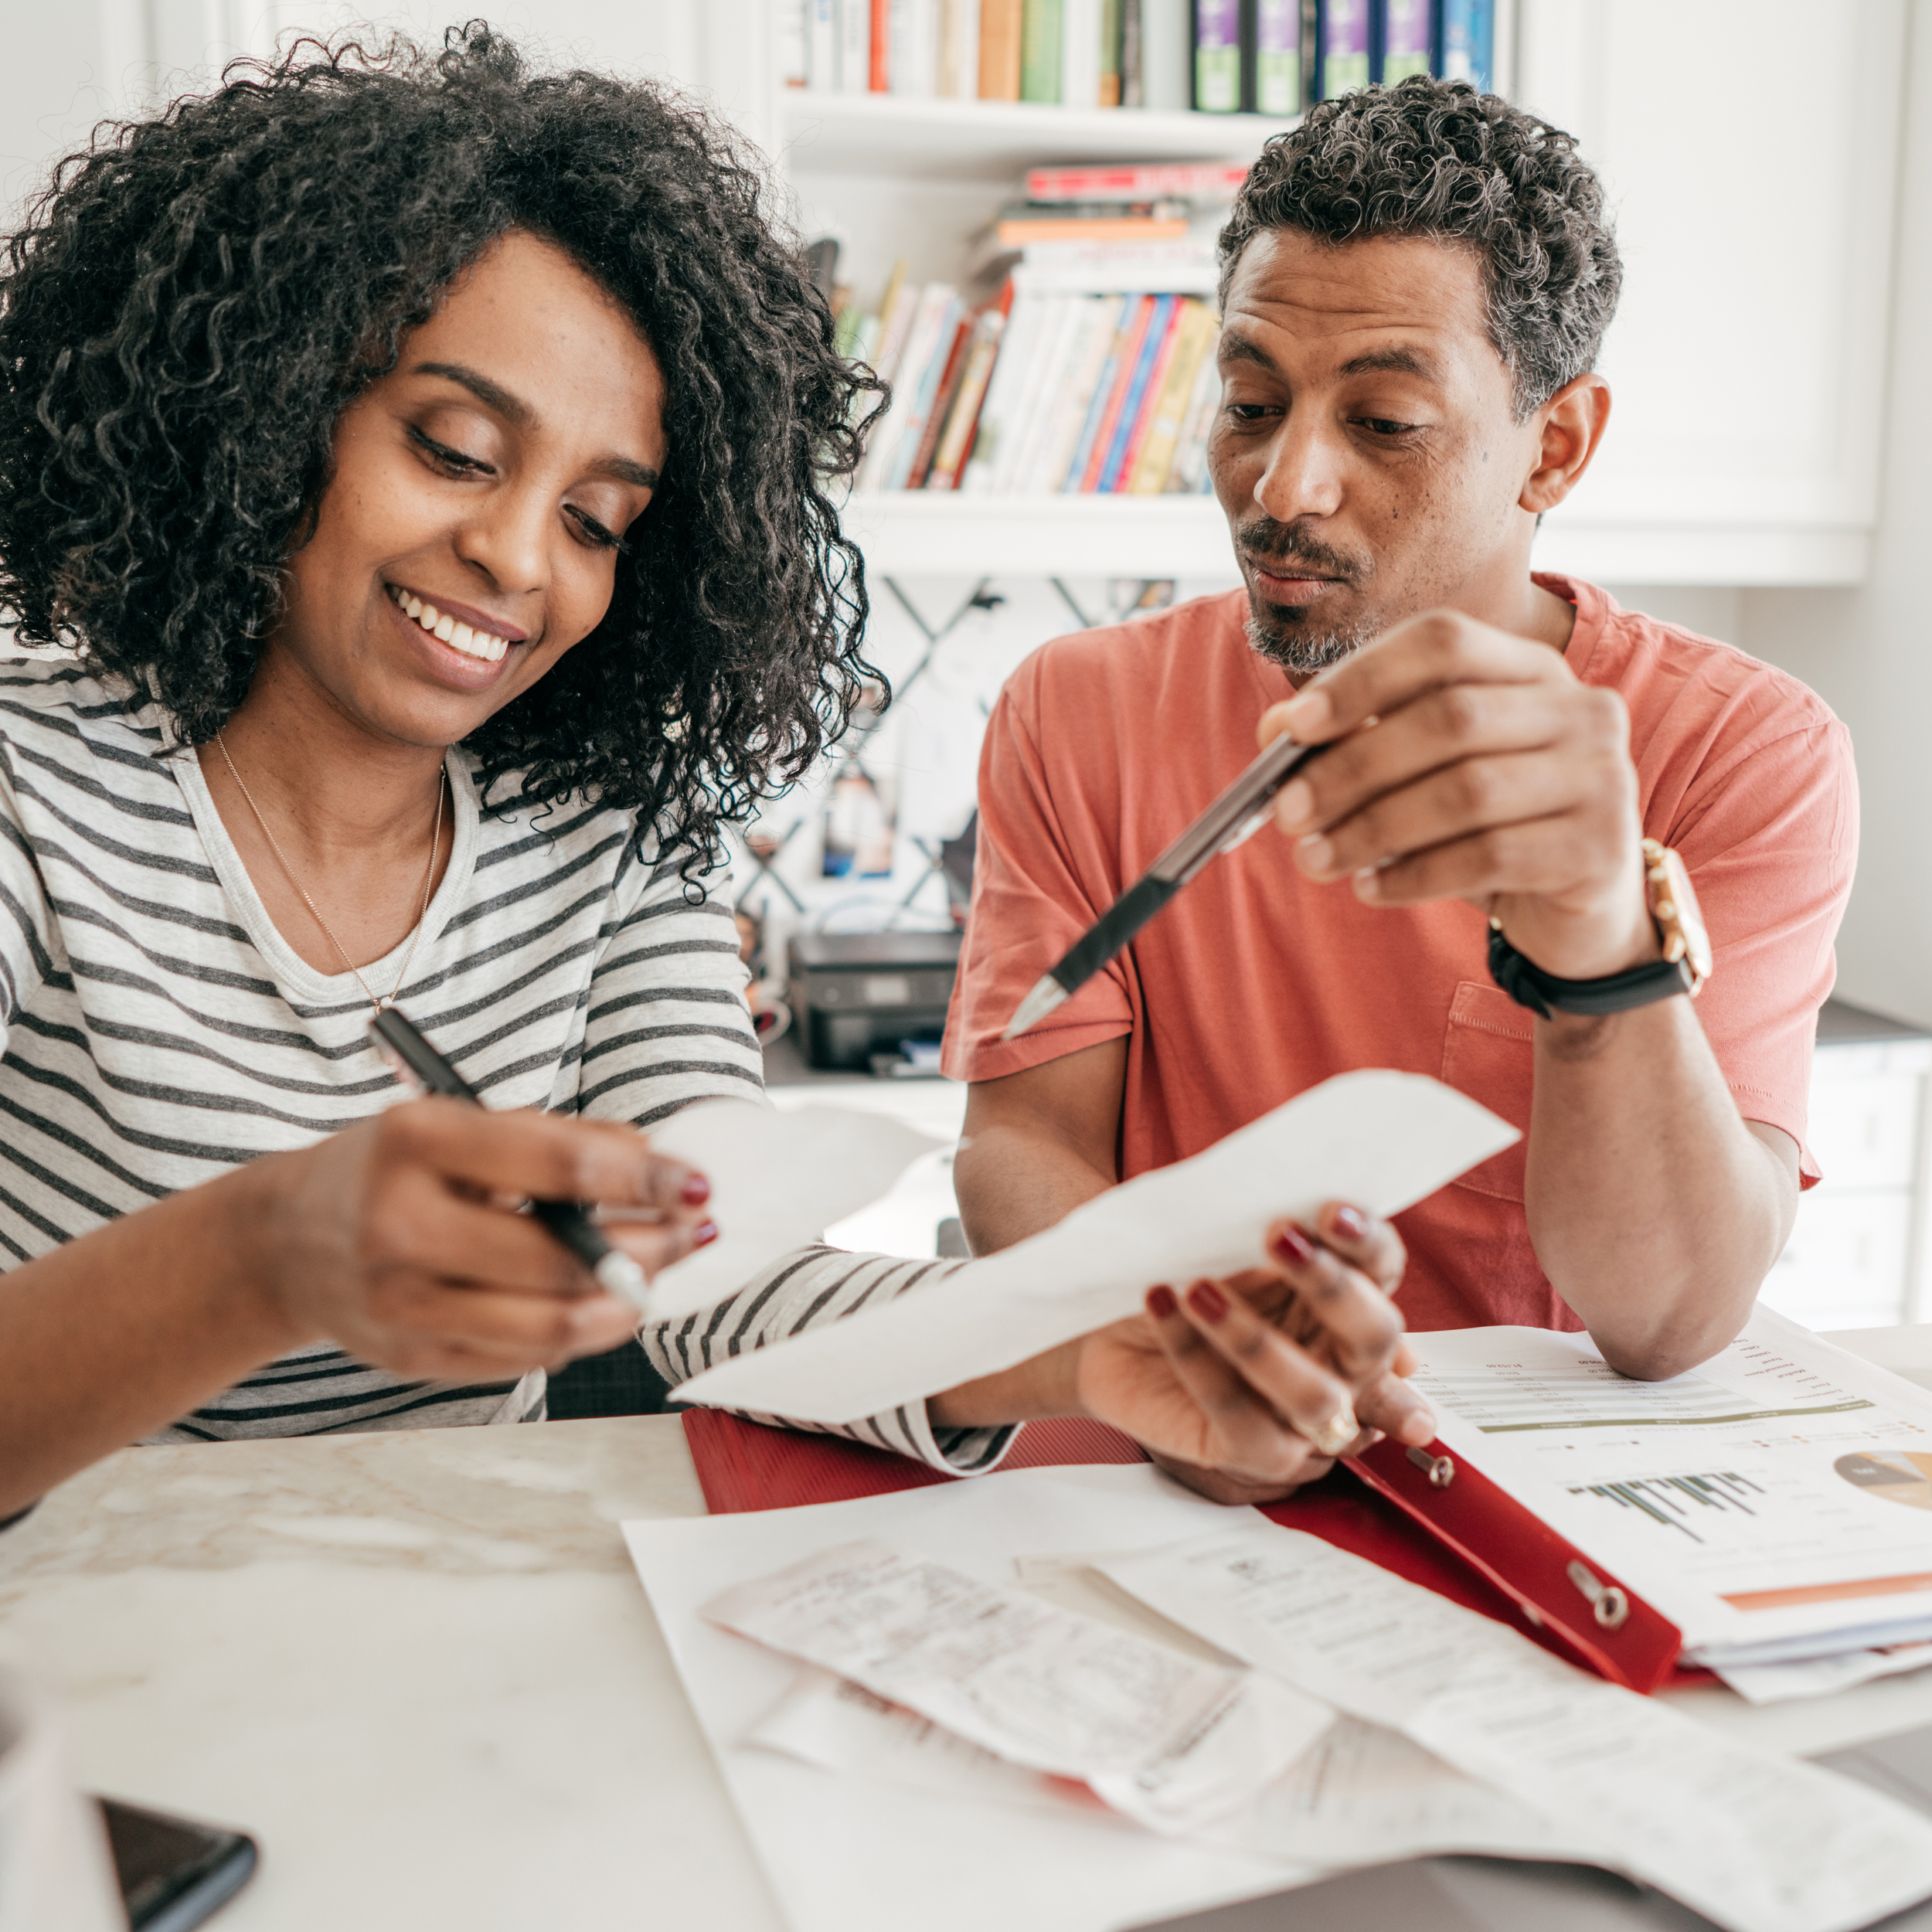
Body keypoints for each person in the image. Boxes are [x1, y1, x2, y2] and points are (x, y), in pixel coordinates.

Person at [0, 27, 1418, 1524]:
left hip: (426, 1644)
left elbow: (725, 1286)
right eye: (457, 448)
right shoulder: (34, 790)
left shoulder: (602, 851)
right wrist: (263, 1253)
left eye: (599, 520)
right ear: (272, 408)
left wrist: (1084, 1345)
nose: (515, 556)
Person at [939, 77, 1857, 1502]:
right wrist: (1181, 1351)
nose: (1283, 484)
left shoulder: (1740, 751)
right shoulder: (1078, 709)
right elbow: (1023, 1142)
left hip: (1510, 1518)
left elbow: (1670, 1316)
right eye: (1251, 403)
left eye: (1383, 422)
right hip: (1149, 1485)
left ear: (1553, 447)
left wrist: (1597, 929)